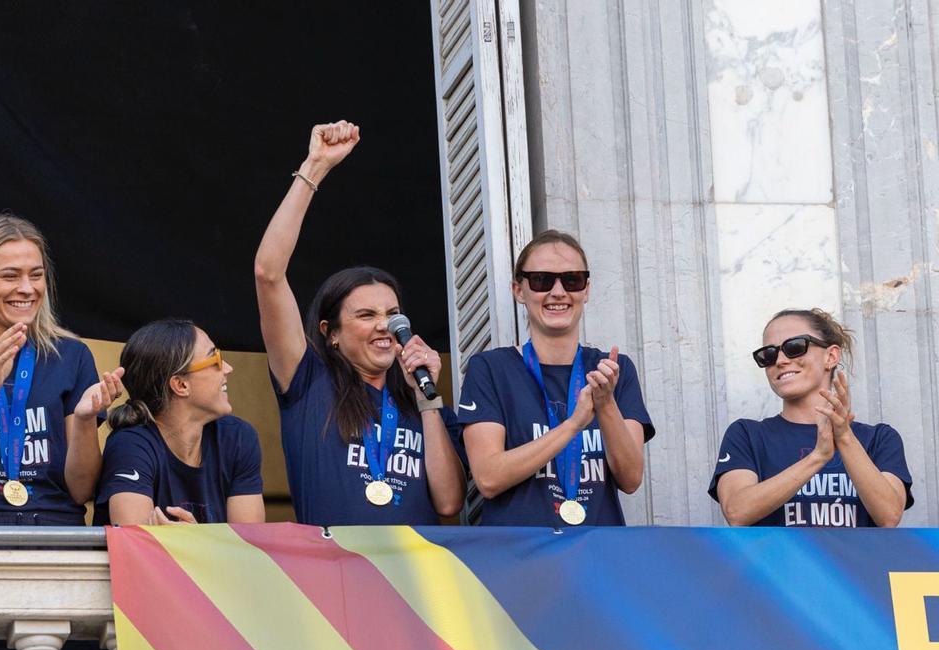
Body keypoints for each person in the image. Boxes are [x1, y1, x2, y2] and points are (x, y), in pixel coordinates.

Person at [254, 121, 465, 526]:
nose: (384, 326)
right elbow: (268, 273)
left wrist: (428, 402)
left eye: (391, 314)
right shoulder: (307, 382)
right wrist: (314, 168)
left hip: (412, 578)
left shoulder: (421, 402)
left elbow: (449, 503)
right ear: (330, 333)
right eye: (366, 316)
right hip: (334, 578)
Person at [0, 214, 124, 548]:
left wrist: (87, 421)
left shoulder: (70, 355)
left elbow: (81, 490)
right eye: (10, 276)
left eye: (36, 275)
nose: (27, 288)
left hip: (60, 535)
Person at [458, 230, 654, 526]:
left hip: (597, 554)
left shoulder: (614, 369)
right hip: (518, 558)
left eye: (572, 279)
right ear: (519, 291)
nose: (558, 292)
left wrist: (606, 405)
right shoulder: (490, 368)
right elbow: (488, 477)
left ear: (586, 289)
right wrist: (574, 424)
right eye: (541, 280)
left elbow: (630, 478)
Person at [710, 308, 912, 527]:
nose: (780, 360)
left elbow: (889, 516)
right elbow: (737, 512)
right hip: (776, 563)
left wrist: (844, 437)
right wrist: (818, 457)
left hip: (854, 563)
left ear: (831, 356)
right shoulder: (747, 435)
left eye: (794, 347)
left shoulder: (879, 438)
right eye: (768, 354)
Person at [95, 319, 264, 525]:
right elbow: (135, 545)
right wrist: (195, 547)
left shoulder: (238, 438)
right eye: (216, 359)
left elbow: (248, 547)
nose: (228, 368)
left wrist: (194, 541)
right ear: (181, 384)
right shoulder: (130, 445)